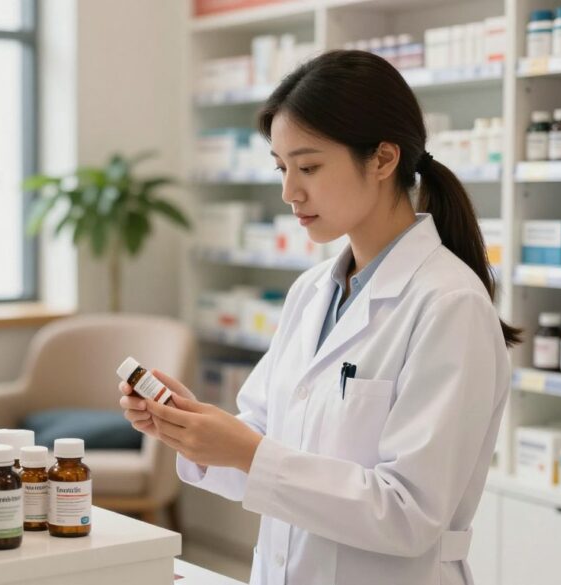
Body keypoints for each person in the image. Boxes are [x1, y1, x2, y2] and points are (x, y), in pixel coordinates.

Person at [119, 50, 519, 585]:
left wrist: (250, 452)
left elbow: (409, 514)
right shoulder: (312, 292)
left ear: (382, 159)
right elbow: (263, 436)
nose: (289, 192)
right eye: (282, 168)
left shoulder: (449, 305)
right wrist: (194, 428)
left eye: (308, 167)